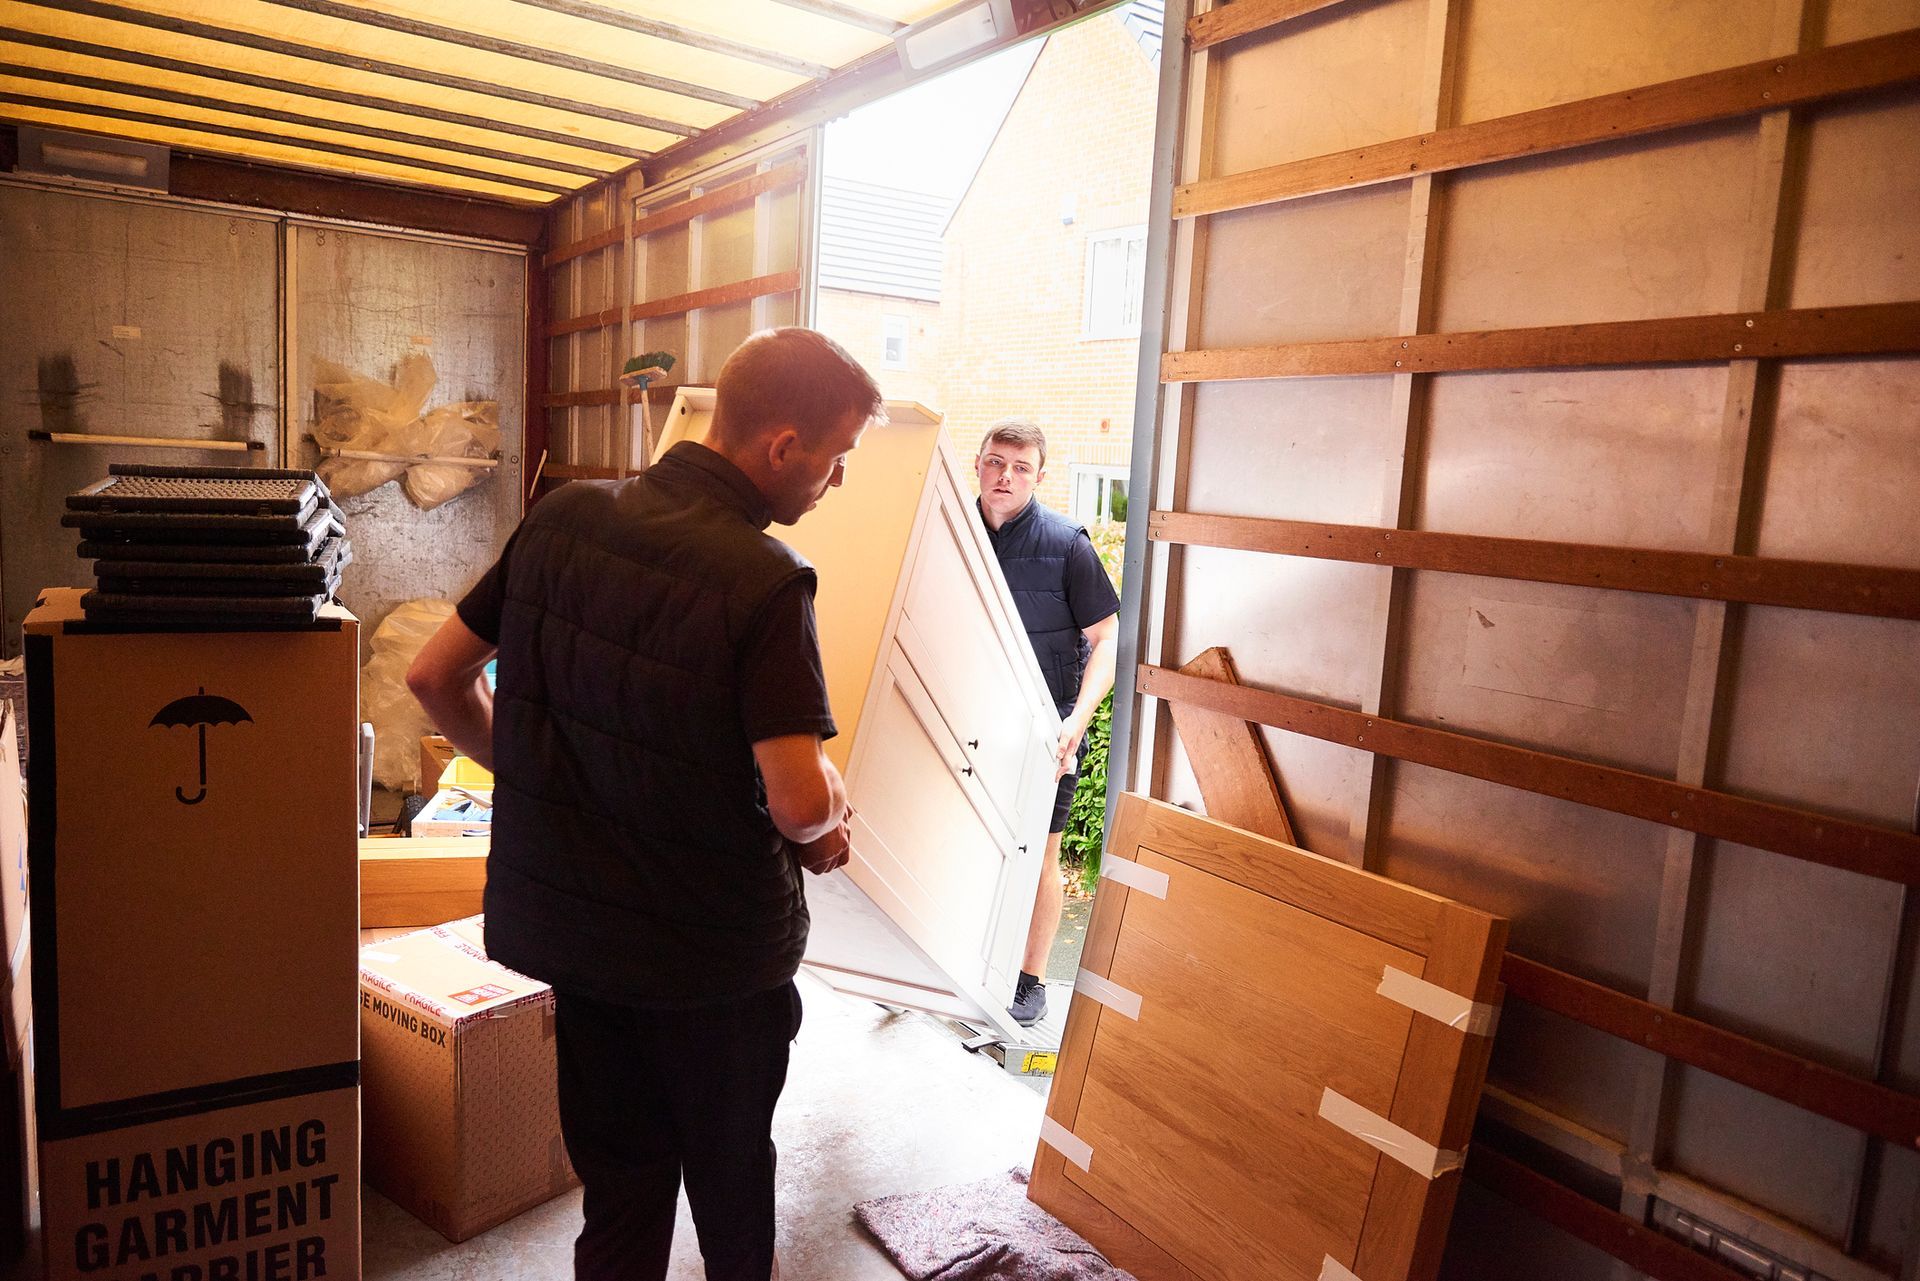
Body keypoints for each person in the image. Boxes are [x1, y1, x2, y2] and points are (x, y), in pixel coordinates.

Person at [405, 327, 885, 1281]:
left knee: (620, 1193)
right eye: (836, 461)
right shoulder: (766, 580)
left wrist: (539, 772)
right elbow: (796, 803)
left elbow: (433, 676)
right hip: (714, 963)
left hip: (581, 947)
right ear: (781, 447)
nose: (835, 486)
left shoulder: (563, 518)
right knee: (731, 1187)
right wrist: (829, 816)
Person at [974, 419, 1120, 1028]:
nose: (1005, 476)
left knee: (1042, 857)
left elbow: (1107, 639)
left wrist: (1077, 721)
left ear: (1039, 474)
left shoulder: (1067, 544)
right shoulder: (954, 531)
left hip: (1047, 729)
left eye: (1021, 466)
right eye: (995, 461)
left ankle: (1030, 980)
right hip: (970, 717)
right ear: (978, 463)